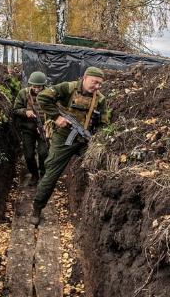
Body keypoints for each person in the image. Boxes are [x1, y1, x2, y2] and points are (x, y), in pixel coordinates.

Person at [30, 66, 110, 225]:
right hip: (63, 137)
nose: (97, 86)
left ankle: (91, 207)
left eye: (100, 84)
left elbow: (104, 122)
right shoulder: (68, 88)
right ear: (85, 77)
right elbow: (43, 98)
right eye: (95, 82)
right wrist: (57, 117)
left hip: (84, 140)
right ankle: (37, 209)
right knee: (51, 175)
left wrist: (97, 139)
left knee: (100, 165)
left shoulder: (99, 99)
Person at [13, 71, 49, 185]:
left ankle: (43, 174)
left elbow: (56, 111)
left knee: (43, 153)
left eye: (39, 86)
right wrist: (25, 112)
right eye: (34, 86)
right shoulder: (23, 94)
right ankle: (34, 175)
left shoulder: (49, 94)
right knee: (28, 155)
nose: (37, 89)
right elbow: (15, 110)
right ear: (30, 85)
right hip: (28, 129)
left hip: (43, 128)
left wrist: (47, 126)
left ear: (43, 85)